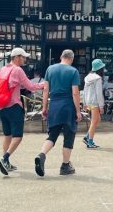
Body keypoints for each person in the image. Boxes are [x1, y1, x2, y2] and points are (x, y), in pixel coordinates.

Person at [0, 48, 45, 176]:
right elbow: (31, 86)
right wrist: (45, 84)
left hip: (1, 106)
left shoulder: (2, 69)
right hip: (13, 106)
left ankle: (7, 163)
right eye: (23, 57)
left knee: (7, 135)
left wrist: (17, 85)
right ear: (17, 57)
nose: (25, 59)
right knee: (18, 136)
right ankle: (4, 158)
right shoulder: (18, 70)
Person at [35, 49, 82, 177]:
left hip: (54, 105)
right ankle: (65, 165)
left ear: (61, 57)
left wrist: (44, 107)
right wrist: (78, 111)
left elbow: (45, 90)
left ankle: (42, 154)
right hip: (68, 107)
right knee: (69, 135)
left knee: (52, 135)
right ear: (71, 59)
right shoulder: (73, 71)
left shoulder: (50, 69)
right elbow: (75, 93)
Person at [83, 59, 106, 149]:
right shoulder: (98, 78)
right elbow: (99, 93)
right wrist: (101, 106)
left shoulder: (88, 77)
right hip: (95, 102)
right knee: (94, 122)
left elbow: (84, 91)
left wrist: (84, 103)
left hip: (89, 101)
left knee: (97, 120)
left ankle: (87, 137)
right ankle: (90, 142)